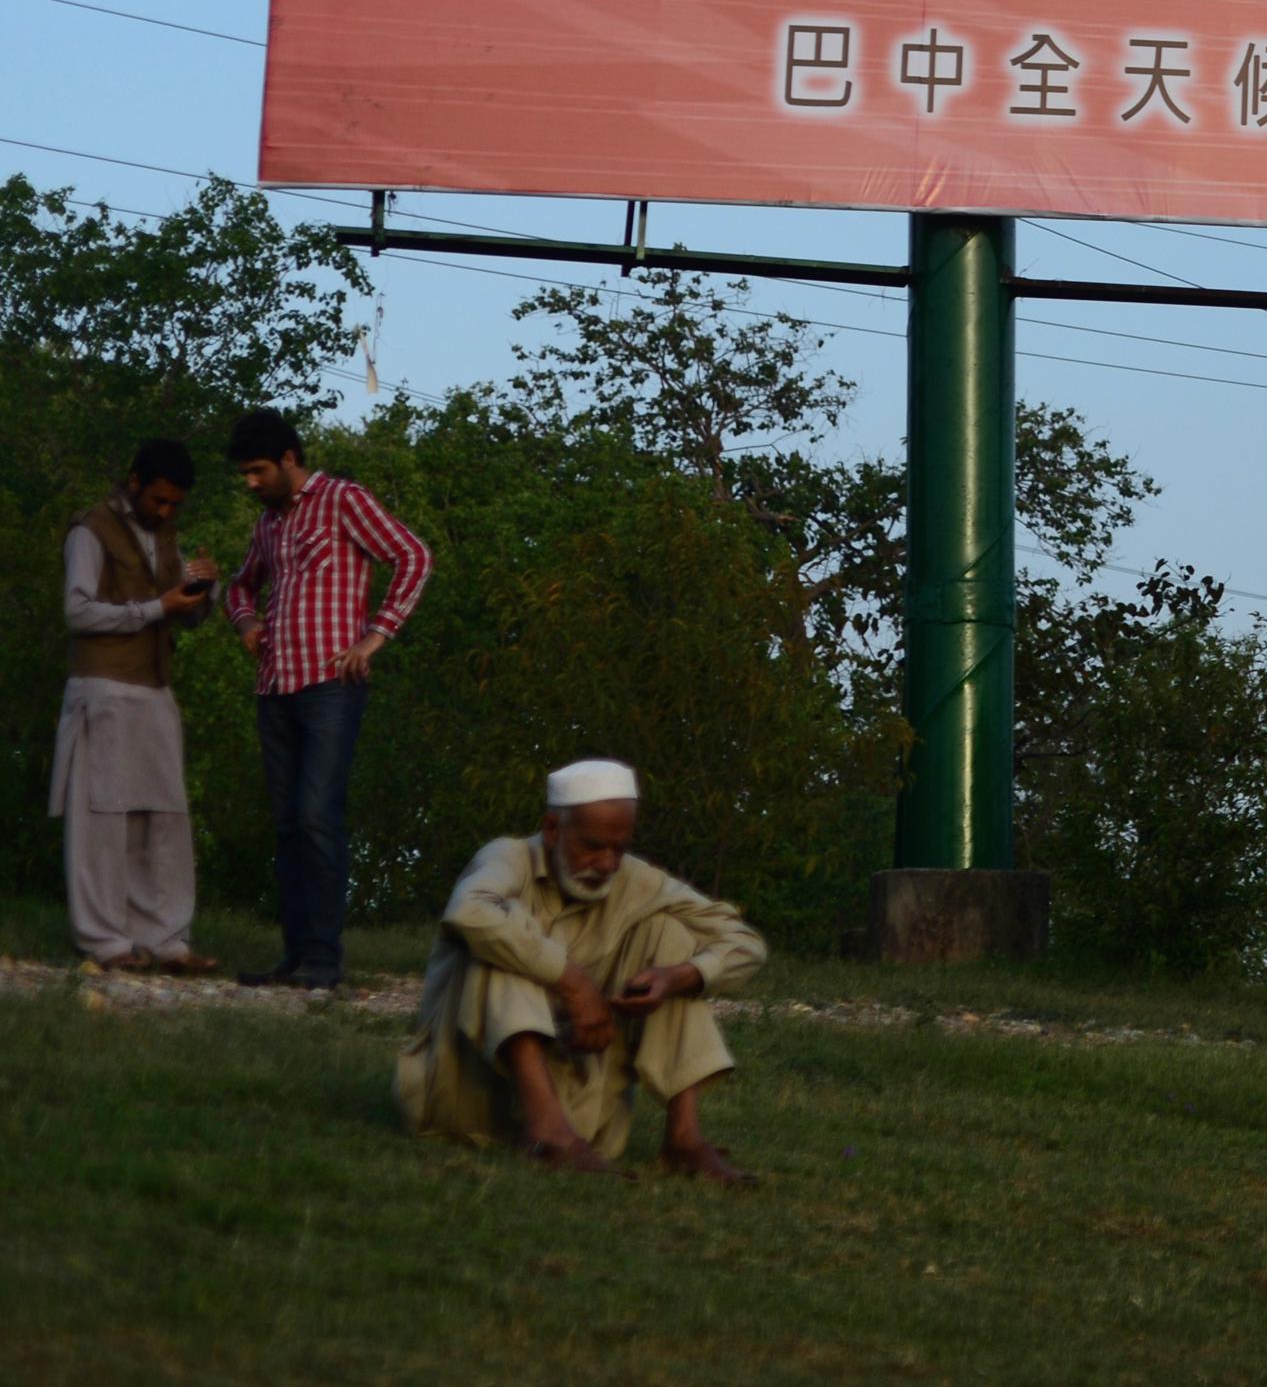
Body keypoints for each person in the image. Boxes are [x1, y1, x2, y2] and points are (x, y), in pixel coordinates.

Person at [400, 760, 762, 1182]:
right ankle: (547, 1130)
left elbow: (744, 942)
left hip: (585, 1111)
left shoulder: (634, 881)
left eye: (619, 849)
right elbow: (468, 911)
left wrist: (677, 977)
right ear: (552, 830)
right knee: (503, 929)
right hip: (466, 1097)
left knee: (670, 935)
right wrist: (572, 982)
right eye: (592, 846)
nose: (608, 864)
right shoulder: (509, 858)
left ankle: (683, 1138)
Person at [221, 409, 432, 991]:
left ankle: (323, 957)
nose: (251, 483)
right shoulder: (267, 523)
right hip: (274, 685)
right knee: (287, 824)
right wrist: (245, 624)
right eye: (244, 473)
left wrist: (375, 637)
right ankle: (295, 957)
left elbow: (413, 556)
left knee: (317, 816)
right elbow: (242, 584)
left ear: (289, 459)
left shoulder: (342, 499)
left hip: (329, 686)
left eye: (258, 471)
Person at [50, 440, 221, 975]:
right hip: (101, 689)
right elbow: (77, 611)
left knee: (165, 819)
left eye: (175, 505)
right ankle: (106, 941)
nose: (166, 512)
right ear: (134, 482)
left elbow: (182, 616)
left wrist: (204, 593)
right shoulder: (90, 530)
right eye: (159, 500)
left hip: (154, 688)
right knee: (102, 821)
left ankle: (166, 940)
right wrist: (155, 607)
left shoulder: (166, 536)